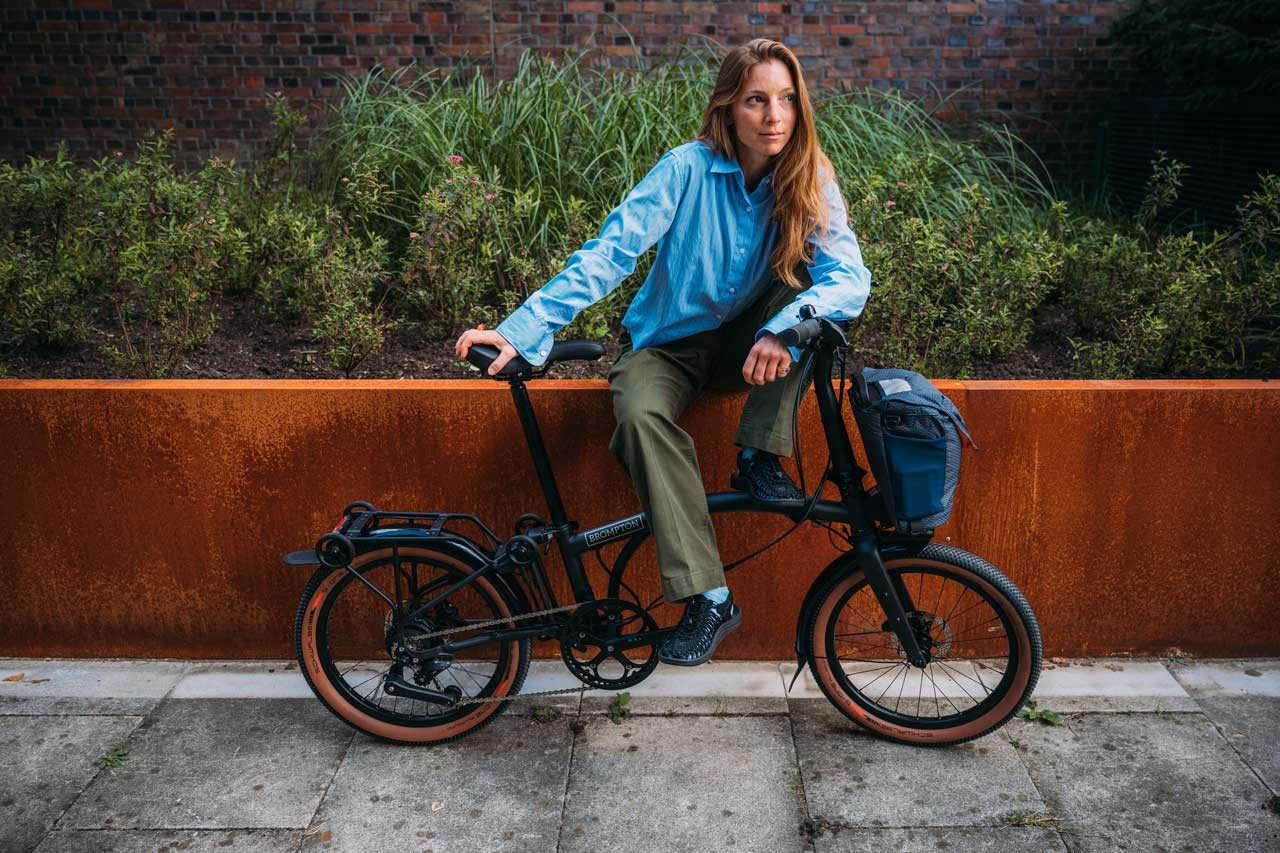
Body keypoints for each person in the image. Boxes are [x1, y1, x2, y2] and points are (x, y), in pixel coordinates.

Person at [455, 38, 872, 666]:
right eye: (756, 100)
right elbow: (610, 252)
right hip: (666, 345)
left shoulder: (809, 177)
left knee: (809, 304)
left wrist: (778, 330)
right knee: (640, 415)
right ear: (730, 107)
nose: (774, 116)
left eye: (786, 100)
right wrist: (519, 329)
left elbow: (850, 278)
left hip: (748, 346)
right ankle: (709, 596)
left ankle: (760, 454)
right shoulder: (685, 168)